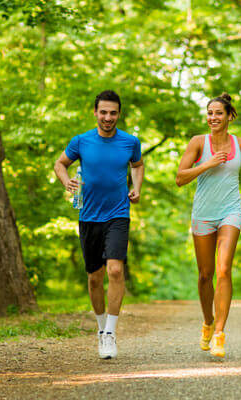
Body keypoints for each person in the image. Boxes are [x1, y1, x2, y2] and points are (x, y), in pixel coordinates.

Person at [54, 90, 144, 359]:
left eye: (113, 112)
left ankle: (110, 334)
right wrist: (66, 181)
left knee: (115, 271)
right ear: (95, 112)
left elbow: (137, 165)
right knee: (95, 278)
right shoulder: (81, 141)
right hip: (89, 216)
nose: (108, 117)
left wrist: (136, 187)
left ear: (119, 114)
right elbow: (60, 164)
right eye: (103, 112)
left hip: (118, 214)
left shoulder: (130, 142)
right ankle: (101, 327)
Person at [176, 93, 241, 358]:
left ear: (229, 116)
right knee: (205, 274)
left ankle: (220, 333)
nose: (213, 117)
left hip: (230, 211)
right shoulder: (198, 143)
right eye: (210, 113)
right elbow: (179, 178)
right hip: (203, 212)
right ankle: (208, 322)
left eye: (218, 113)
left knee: (224, 269)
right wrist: (207, 164)